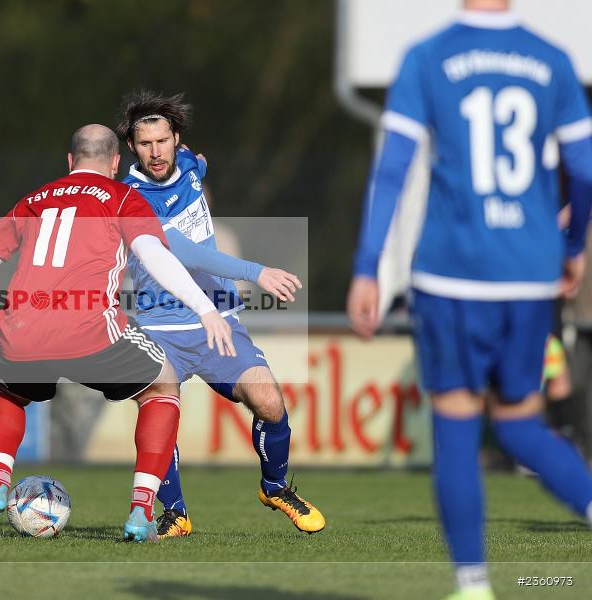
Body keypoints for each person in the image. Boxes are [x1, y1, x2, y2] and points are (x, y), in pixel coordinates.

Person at [0, 124, 236, 542]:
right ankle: (141, 511)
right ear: (116, 162)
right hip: (89, 328)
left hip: (22, 329)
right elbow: (155, 256)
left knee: (7, 390)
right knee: (162, 388)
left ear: (70, 162)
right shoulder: (124, 197)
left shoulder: (33, 201)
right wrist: (204, 307)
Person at [347, 1, 592, 598]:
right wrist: (573, 243)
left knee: (457, 427)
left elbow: (393, 169)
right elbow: (584, 169)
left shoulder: (429, 56)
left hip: (452, 273)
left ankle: (474, 584)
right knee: (519, 424)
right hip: (529, 275)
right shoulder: (551, 58)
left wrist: (367, 266)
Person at [115, 90, 325, 538]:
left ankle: (274, 487)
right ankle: (175, 513)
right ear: (132, 148)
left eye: (163, 141)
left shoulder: (188, 164)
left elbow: (198, 166)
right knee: (159, 407)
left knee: (269, 401)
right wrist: (258, 271)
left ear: (176, 140)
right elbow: (188, 254)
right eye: (145, 144)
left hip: (217, 321)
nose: (156, 152)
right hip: (160, 325)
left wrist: (198, 165)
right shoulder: (132, 198)